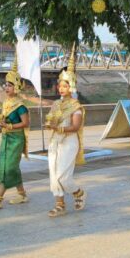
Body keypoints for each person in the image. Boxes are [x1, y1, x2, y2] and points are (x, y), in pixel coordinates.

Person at [45, 46, 87, 217]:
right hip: (55, 141)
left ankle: (78, 193)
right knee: (53, 175)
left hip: (69, 142)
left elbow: (75, 126)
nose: (61, 88)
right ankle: (60, 204)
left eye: (65, 85)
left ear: (72, 86)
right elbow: (52, 120)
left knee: (63, 176)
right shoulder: (56, 104)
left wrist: (59, 128)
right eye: (60, 85)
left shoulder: (76, 106)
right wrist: (50, 124)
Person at [0, 56, 30, 209]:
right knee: (4, 166)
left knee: (9, 167)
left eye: (10, 85)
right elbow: (6, 120)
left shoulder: (20, 106)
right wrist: (2, 124)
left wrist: (9, 126)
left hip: (16, 139)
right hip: (6, 138)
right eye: (5, 85)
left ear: (16, 87)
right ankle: (22, 194)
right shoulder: (6, 102)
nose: (6, 87)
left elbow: (25, 123)